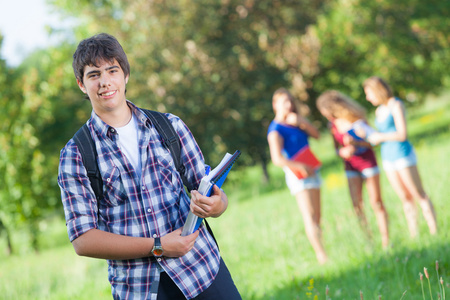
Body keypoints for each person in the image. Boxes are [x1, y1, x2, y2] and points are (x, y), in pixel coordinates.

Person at [57, 33, 241, 300]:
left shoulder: (169, 127)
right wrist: (158, 246)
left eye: (112, 70)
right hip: (140, 288)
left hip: (202, 270)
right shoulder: (75, 154)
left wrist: (217, 205)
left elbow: (210, 190)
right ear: (81, 84)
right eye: (94, 74)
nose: (105, 81)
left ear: (125, 75)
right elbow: (83, 239)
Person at [362, 76, 437, 237]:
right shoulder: (378, 110)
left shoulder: (396, 105)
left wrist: (380, 137)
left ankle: (434, 230)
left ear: (378, 90)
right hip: (388, 158)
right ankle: (414, 233)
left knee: (418, 193)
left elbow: (402, 134)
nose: (368, 98)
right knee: (404, 197)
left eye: (369, 93)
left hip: (403, 155)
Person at [316, 90, 389, 248]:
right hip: (350, 166)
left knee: (376, 202)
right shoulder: (333, 126)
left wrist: (356, 144)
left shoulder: (357, 118)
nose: (326, 115)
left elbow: (373, 142)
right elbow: (336, 149)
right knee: (357, 205)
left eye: (326, 111)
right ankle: (368, 239)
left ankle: (386, 240)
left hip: (367, 163)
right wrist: (342, 152)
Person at [267, 88, 328, 264]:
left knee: (318, 216)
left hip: (312, 169)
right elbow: (277, 159)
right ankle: (321, 255)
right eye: (284, 102)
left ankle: (322, 249)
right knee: (309, 215)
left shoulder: (296, 121)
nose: (289, 105)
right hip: (298, 174)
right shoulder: (275, 129)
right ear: (275, 105)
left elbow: (316, 135)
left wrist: (301, 121)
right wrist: (299, 166)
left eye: (290, 101)